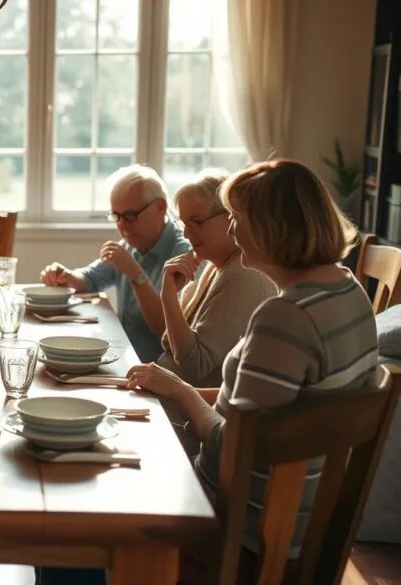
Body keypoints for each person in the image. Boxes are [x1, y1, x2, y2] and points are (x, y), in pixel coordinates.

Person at [39, 159, 379, 585]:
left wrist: (182, 393)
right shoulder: (350, 292)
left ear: (272, 226)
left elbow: (228, 446)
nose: (233, 232)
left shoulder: (284, 317)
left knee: (70, 518)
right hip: (300, 527)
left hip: (237, 532)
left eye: (237, 219)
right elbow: (266, 412)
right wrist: (180, 388)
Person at [39, 164, 192, 362]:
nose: (121, 225)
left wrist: (136, 275)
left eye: (130, 215)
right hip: (123, 357)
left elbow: (166, 332)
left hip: (156, 371)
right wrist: (64, 276)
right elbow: (89, 279)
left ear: (160, 207)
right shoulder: (132, 245)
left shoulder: (184, 254)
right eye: (116, 216)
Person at [154, 170, 277, 388]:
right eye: (183, 224)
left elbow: (194, 368)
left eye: (197, 222)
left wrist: (168, 297)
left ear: (231, 215)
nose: (187, 234)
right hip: (172, 395)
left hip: (190, 411)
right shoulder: (216, 266)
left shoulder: (243, 274)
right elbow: (171, 344)